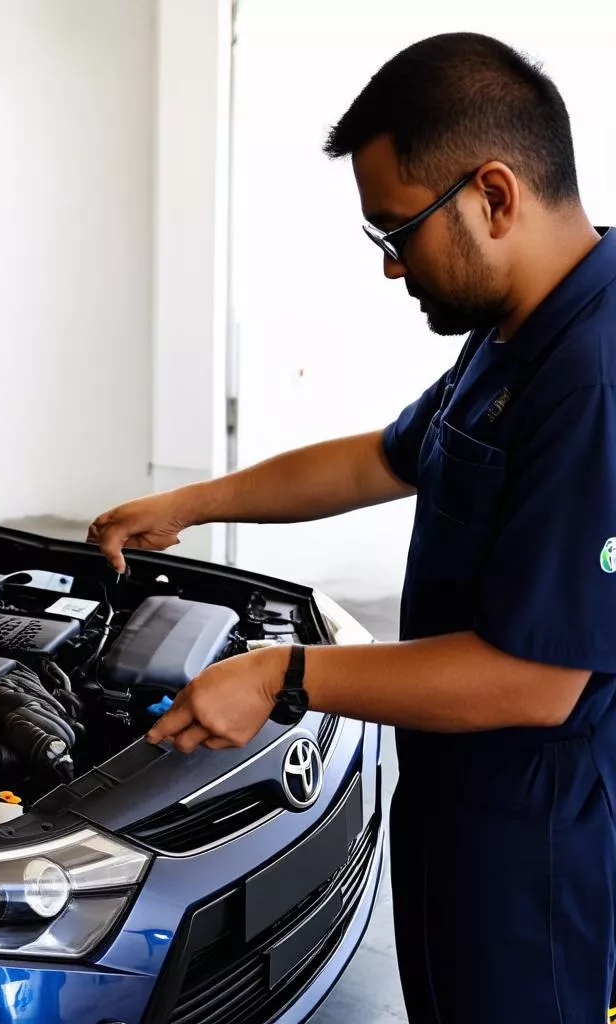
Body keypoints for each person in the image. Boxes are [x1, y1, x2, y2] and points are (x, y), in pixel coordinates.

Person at [88, 32, 616, 1024]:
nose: (388, 268)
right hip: (459, 807)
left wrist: (281, 674)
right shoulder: (516, 333)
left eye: (394, 232)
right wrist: (189, 503)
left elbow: (533, 680)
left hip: (539, 848)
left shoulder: (594, 378)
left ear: (492, 194)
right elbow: (380, 457)